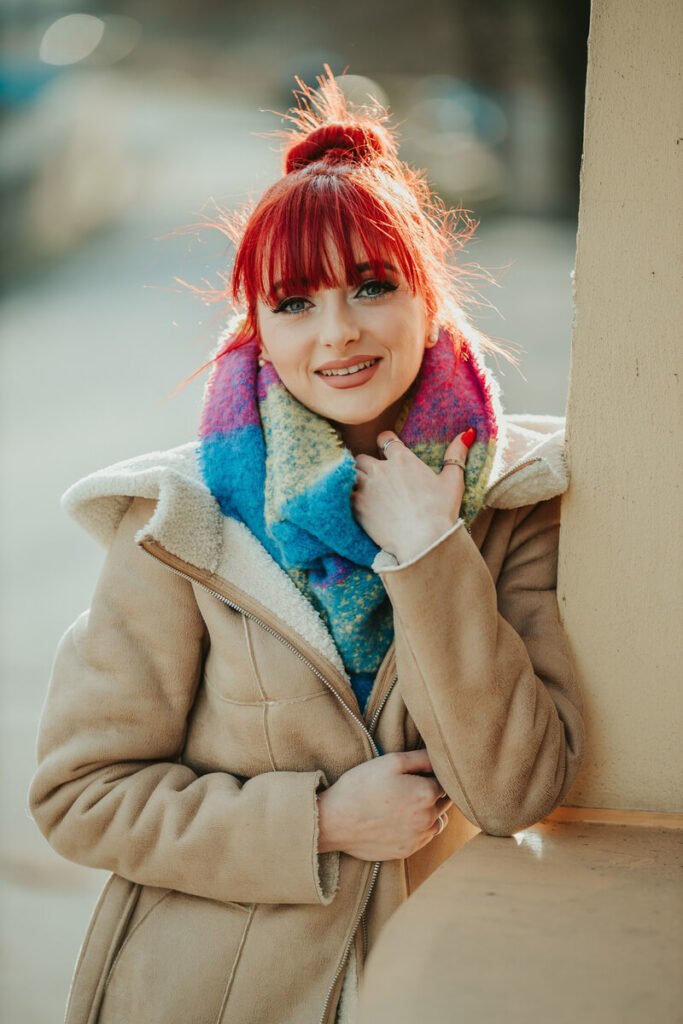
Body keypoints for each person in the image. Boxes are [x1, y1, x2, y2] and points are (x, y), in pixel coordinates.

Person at [29, 70, 584, 1024]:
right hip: (212, 989)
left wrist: (429, 549)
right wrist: (318, 821)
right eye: (293, 304)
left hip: (432, 984)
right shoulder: (179, 520)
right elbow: (82, 797)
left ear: (428, 298)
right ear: (257, 323)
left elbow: (515, 791)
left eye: (372, 288)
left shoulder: (516, 501)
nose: (337, 335)